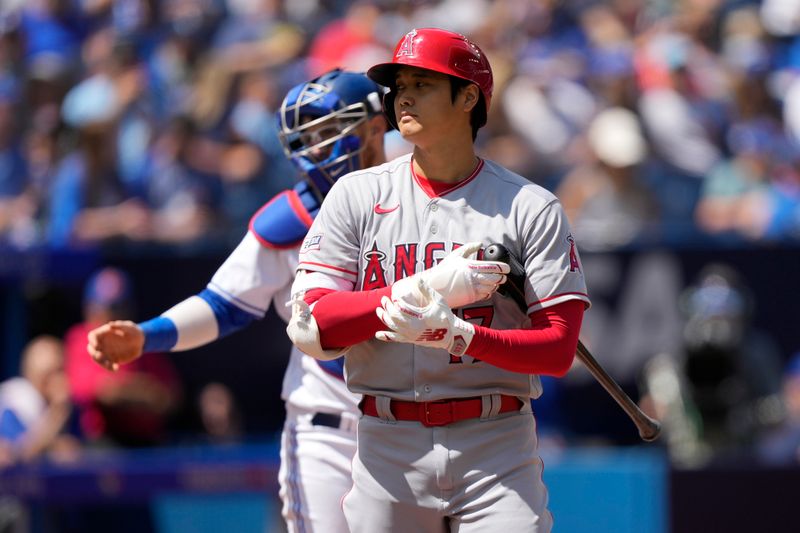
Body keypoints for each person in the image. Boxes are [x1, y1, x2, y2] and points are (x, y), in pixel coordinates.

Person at [287, 28, 590, 533]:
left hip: (496, 445)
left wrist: (459, 335)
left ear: (468, 96)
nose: (402, 94)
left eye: (423, 82)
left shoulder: (530, 207)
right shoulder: (355, 195)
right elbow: (314, 324)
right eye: (399, 83)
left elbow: (558, 349)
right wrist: (428, 288)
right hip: (387, 445)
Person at [87, 69, 390, 532]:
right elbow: (223, 304)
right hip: (329, 431)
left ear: (374, 127)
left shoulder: (421, 199)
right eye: (307, 135)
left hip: (415, 422)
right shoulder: (292, 217)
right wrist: (147, 335)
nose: (316, 147)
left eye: (329, 131)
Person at [66, 267, 181, 448]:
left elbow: (169, 398)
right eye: (106, 307)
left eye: (119, 307)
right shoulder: (82, 338)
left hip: (149, 441)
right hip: (105, 442)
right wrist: (142, 391)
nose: (112, 315)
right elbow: (102, 393)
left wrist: (124, 390)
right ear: (89, 309)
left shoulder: (140, 336)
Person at [0, 335, 78, 466]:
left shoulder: (67, 401)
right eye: (49, 373)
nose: (57, 378)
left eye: (60, 370)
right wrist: (58, 411)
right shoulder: (14, 398)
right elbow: (19, 454)